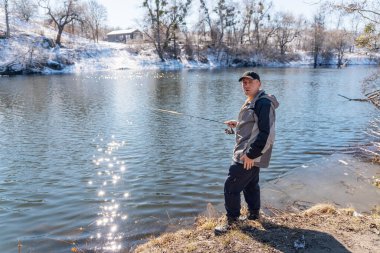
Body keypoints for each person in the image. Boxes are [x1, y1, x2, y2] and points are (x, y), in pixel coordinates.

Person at [215, 71, 279, 235]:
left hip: (247, 155)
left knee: (231, 187)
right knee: (250, 186)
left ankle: (232, 222)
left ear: (259, 84)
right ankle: (253, 215)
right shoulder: (253, 101)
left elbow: (267, 134)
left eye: (250, 82)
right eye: (244, 82)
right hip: (249, 153)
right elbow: (254, 126)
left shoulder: (263, 103)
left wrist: (251, 154)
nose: (246, 85)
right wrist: (238, 124)